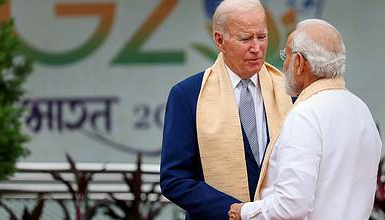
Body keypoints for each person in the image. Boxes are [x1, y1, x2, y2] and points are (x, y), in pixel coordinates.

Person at [228, 19, 382, 220]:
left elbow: (292, 206)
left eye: (286, 55)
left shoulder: (305, 114)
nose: (284, 65)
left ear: (299, 63)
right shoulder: (361, 110)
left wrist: (245, 212)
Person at [160, 0, 293, 219]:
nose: (256, 47)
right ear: (220, 41)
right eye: (245, 38)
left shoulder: (289, 92)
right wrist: (237, 212)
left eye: (262, 36)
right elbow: (175, 179)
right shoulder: (188, 95)